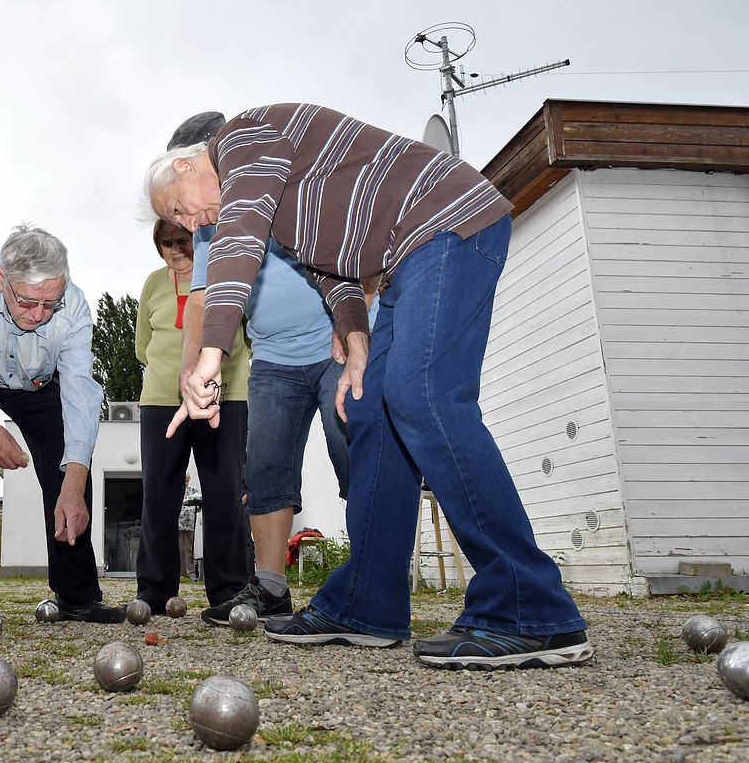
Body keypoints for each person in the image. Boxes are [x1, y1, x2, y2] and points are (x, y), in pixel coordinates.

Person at [146, 103, 592, 670]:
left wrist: (211, 356)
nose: (193, 226)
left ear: (189, 165)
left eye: (179, 210)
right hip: (410, 256)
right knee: (373, 413)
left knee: (423, 397)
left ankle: (531, 606)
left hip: (447, 225)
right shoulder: (283, 202)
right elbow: (331, 271)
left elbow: (238, 244)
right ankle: (368, 603)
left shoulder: (242, 140)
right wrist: (356, 344)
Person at [160, 112, 356, 628]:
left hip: (334, 344)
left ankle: (370, 576)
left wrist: (352, 324)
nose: (188, 217)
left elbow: (352, 248)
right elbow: (202, 304)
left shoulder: (277, 182)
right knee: (266, 468)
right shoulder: (206, 227)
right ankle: (270, 587)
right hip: (272, 357)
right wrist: (191, 372)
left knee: (353, 450)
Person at [0, 225, 124, 626]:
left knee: (70, 462)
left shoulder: (75, 308)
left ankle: (77, 595)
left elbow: (80, 393)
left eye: (50, 303)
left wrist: (74, 481)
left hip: (35, 383)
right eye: (28, 301)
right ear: (2, 278)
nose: (39, 315)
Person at [133, 218, 251, 614]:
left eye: (183, 241)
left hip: (225, 397)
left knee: (225, 496)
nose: (175, 251)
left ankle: (228, 591)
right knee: (158, 498)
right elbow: (142, 346)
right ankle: (154, 591)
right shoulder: (152, 283)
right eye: (166, 243)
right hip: (161, 402)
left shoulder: (225, 274)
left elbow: (241, 337)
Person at [178, 474, 200, 580]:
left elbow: (200, 503)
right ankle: (178, 572)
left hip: (189, 524)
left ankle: (190, 572)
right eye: (184, 480)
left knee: (189, 548)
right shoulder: (175, 490)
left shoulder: (193, 491)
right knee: (176, 548)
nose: (186, 483)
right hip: (176, 523)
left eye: (187, 481)